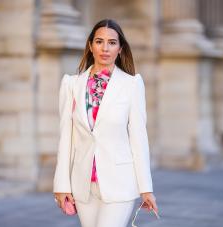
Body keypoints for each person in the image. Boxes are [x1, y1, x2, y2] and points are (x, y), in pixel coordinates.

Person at [53, 18, 158, 227]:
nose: (105, 48)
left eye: (112, 42)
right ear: (91, 46)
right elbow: (66, 138)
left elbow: (139, 138)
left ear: (120, 49)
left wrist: (146, 188)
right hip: (83, 185)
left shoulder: (131, 85)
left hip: (119, 182)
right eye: (99, 41)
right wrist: (61, 184)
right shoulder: (71, 85)